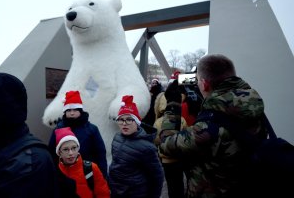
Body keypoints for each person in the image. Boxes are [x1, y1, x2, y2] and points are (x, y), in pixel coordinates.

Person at [159, 54, 267, 198]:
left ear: (204, 84)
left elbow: (166, 143)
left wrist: (173, 104)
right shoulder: (253, 106)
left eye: (197, 81)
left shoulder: (207, 128)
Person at [108, 95, 164, 198]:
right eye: (121, 120)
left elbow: (157, 177)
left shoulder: (147, 147)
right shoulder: (117, 138)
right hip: (117, 191)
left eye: (129, 120)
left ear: (137, 122)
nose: (124, 123)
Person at [48, 90, 108, 178]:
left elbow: (100, 154)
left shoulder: (92, 129)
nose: (72, 113)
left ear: (80, 111)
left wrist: (102, 176)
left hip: (88, 174)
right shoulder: (58, 129)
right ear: (65, 112)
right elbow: (51, 152)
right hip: (64, 175)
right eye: (69, 110)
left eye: (75, 110)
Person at [55, 127, 110, 198]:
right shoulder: (55, 172)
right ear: (59, 152)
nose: (71, 153)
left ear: (78, 148)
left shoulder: (91, 168)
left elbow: (103, 194)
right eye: (66, 149)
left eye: (74, 148)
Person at [153, 91, 187, 198]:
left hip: (165, 160)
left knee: (170, 184)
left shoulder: (158, 122)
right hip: (179, 157)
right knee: (179, 183)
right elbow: (185, 135)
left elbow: (156, 140)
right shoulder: (181, 119)